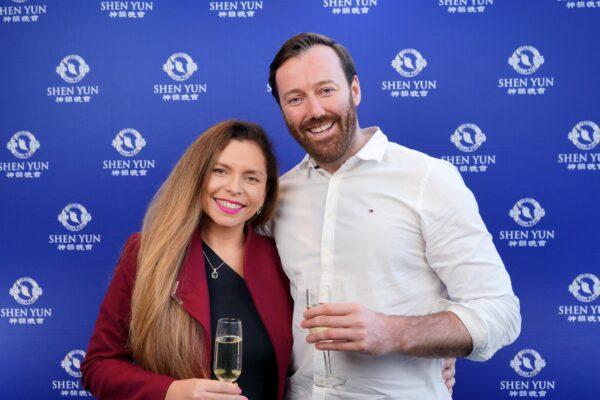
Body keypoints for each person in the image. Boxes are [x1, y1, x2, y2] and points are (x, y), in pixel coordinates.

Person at [264, 32, 522, 399]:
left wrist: (395, 332)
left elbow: (501, 313)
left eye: (326, 90)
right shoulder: (277, 196)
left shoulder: (428, 178)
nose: (315, 111)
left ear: (355, 89)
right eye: (295, 99)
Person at [81, 120, 293, 400]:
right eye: (220, 171)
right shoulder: (147, 254)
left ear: (265, 193)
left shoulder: (283, 259)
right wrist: (171, 391)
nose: (234, 187)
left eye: (251, 178)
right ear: (197, 176)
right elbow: (98, 366)